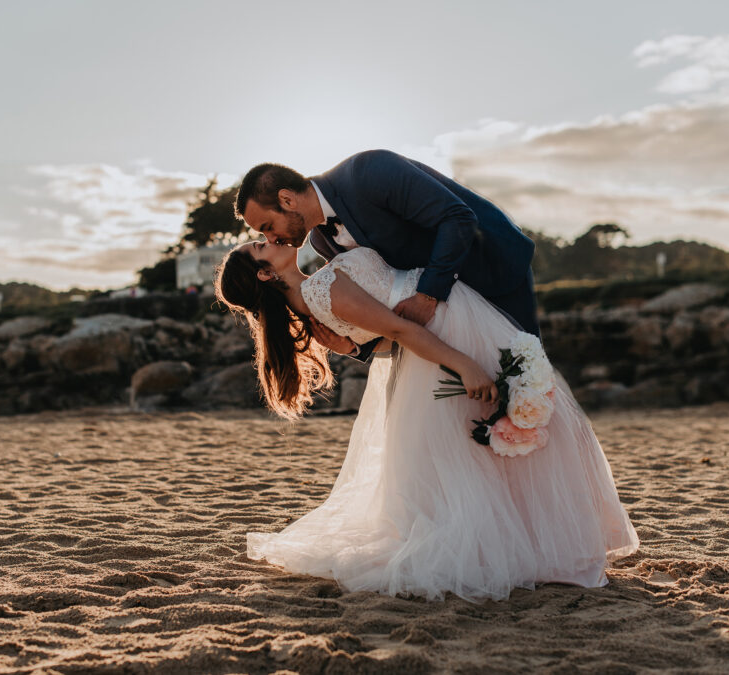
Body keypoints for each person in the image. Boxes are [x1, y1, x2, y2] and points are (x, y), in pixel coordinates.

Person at [214, 239, 638, 602]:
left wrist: (354, 348)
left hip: (438, 338)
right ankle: (532, 549)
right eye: (260, 246)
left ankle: (524, 546)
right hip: (447, 338)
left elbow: (383, 338)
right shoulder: (321, 289)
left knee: (477, 450)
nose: (268, 238)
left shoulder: (312, 301)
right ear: (266, 275)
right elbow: (399, 331)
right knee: (491, 445)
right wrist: (465, 365)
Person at [236, 150, 539, 360]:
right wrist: (355, 348)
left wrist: (428, 296)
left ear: (287, 200)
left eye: (267, 226)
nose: (271, 238)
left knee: (525, 382)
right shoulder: (322, 242)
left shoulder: (369, 171)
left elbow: (457, 218)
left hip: (492, 274)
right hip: (446, 325)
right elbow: (379, 305)